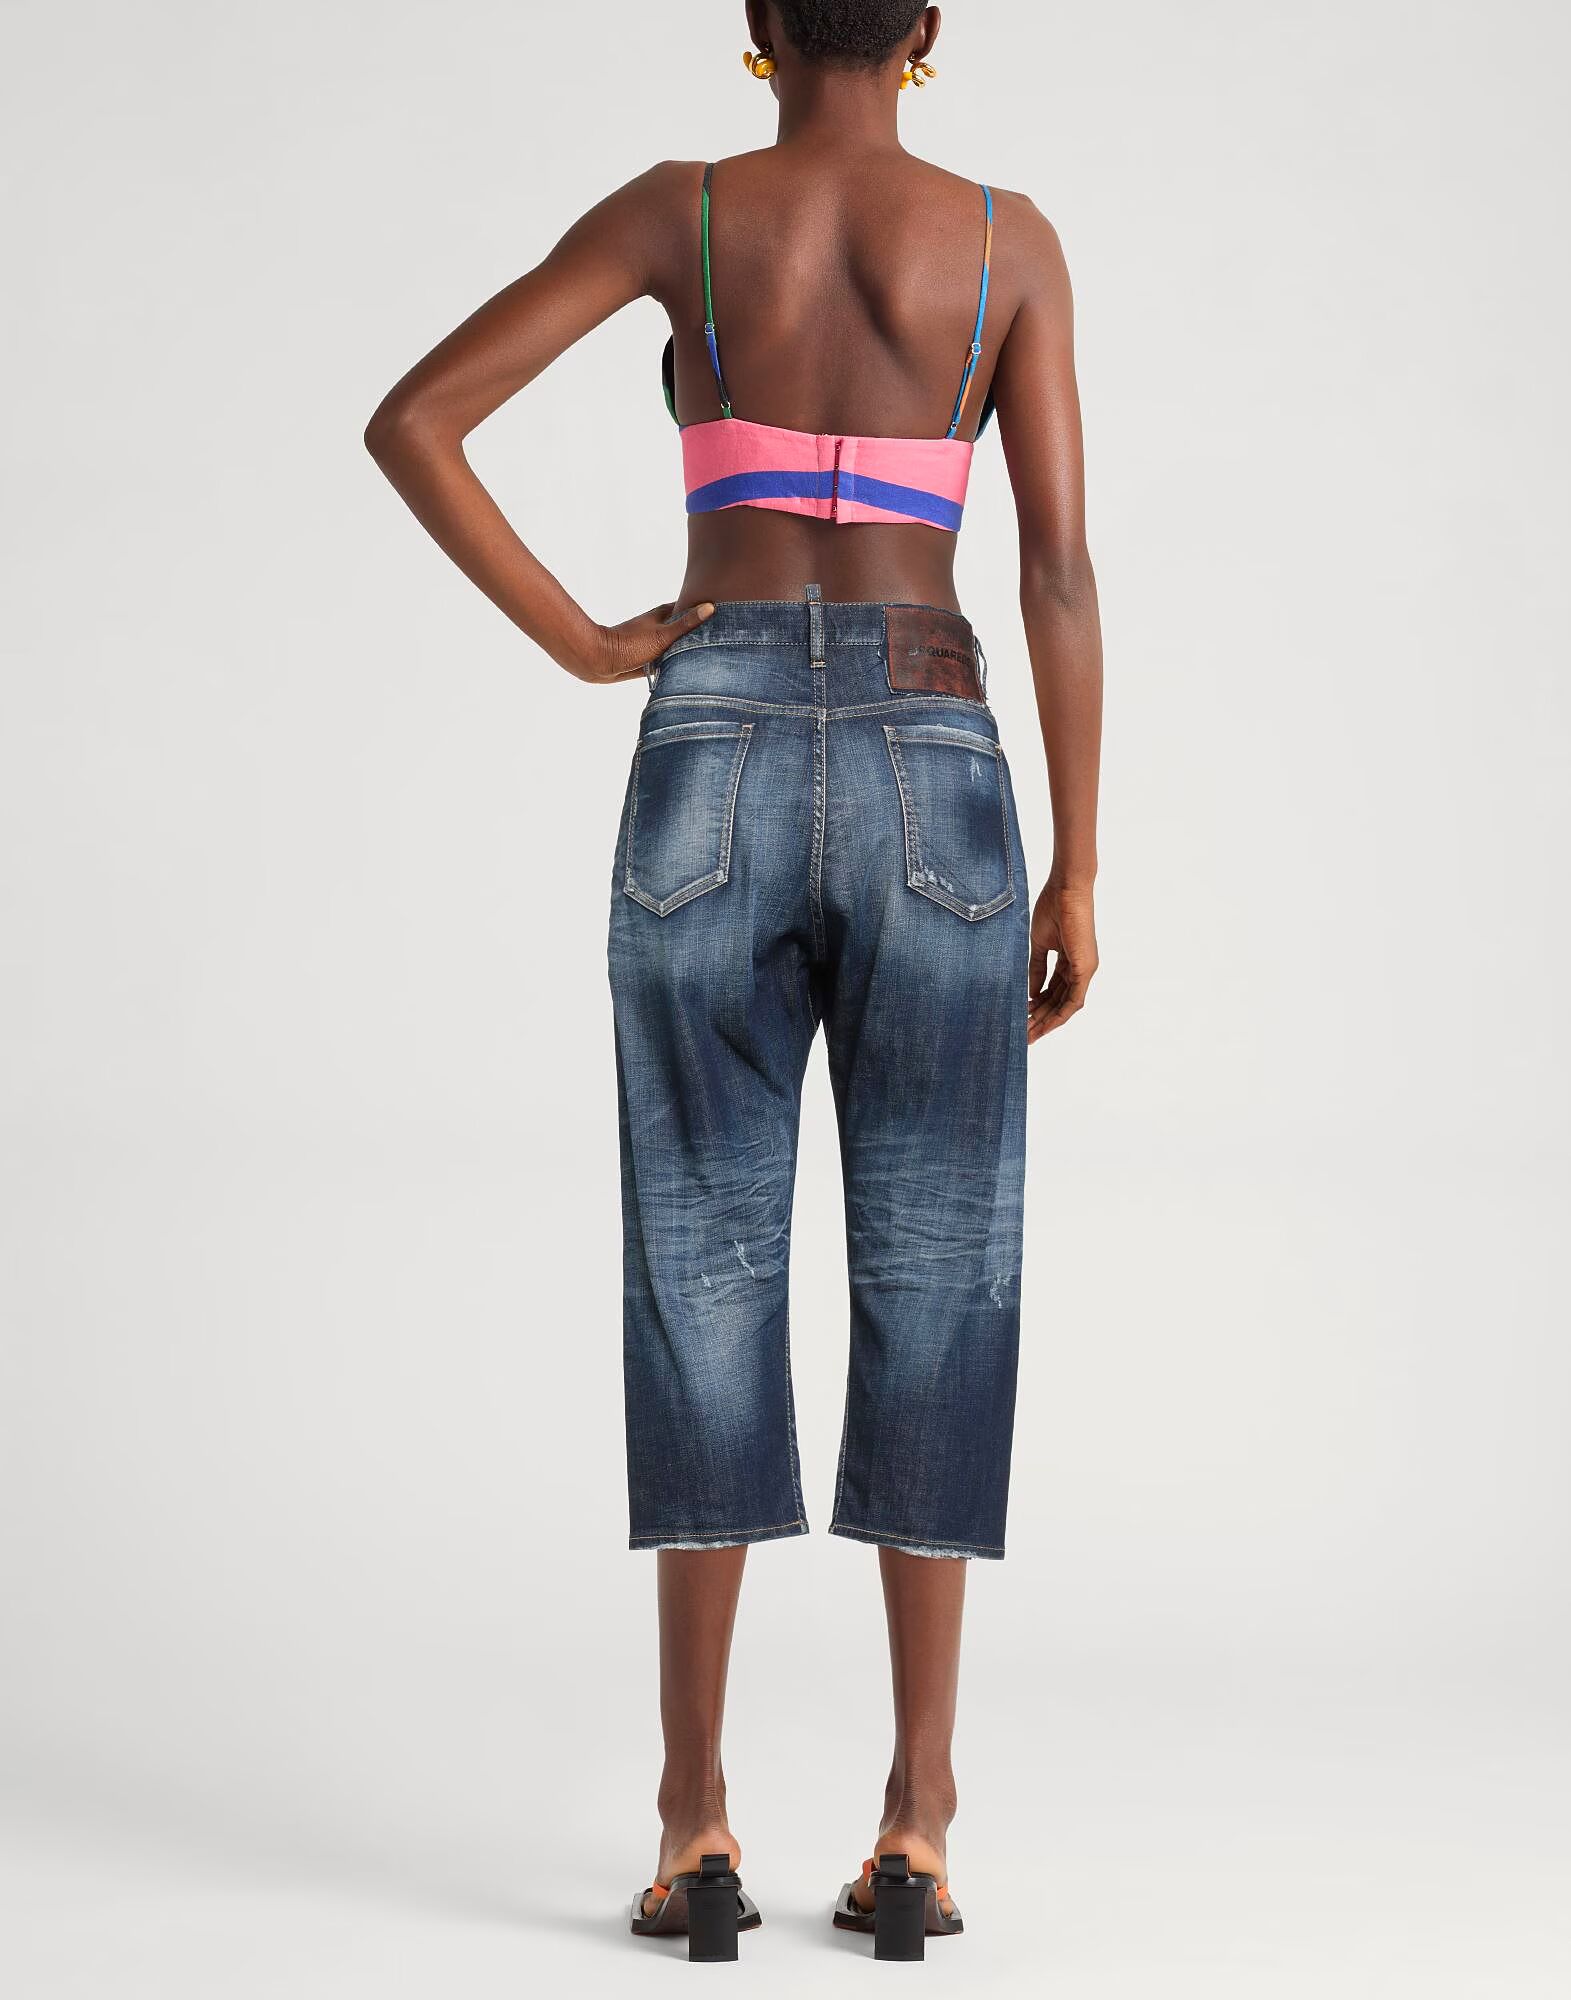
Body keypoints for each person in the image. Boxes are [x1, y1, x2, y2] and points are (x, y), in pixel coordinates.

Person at [365, 0, 1101, 1964]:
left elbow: (413, 421)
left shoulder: (681, 214)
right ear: (928, 28)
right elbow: (1055, 571)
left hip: (713, 743)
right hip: (942, 758)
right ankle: (919, 1820)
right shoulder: (1007, 241)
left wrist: (588, 640)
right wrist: (1082, 861)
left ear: (759, 26)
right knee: (941, 1268)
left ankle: (695, 1817)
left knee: (700, 1259)